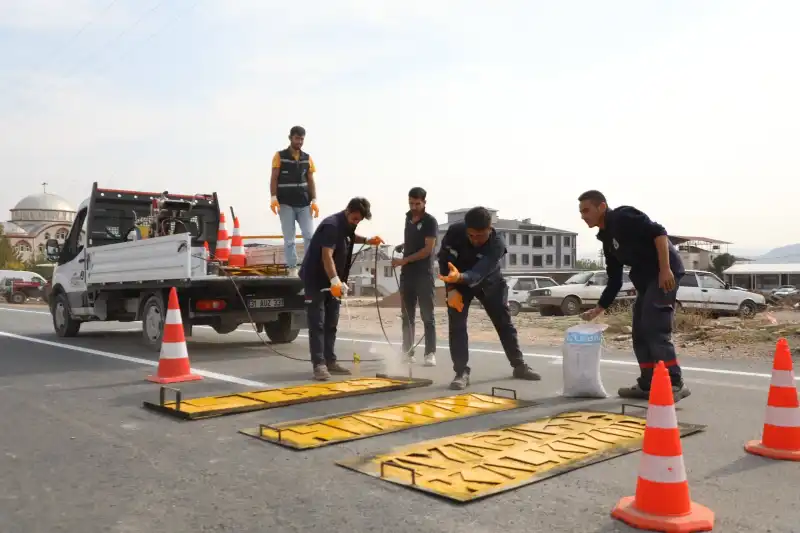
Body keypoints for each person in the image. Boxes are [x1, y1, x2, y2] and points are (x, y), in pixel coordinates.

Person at [577, 190, 690, 402]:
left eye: (586, 210)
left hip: (664, 274)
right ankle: (648, 383)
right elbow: (615, 279)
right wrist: (600, 308)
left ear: (601, 207)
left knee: (654, 327)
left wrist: (665, 269)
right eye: (580, 212)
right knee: (639, 330)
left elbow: (659, 233)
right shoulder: (607, 239)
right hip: (646, 280)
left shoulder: (622, 217)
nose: (583, 216)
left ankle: (675, 383)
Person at [437, 206, 542, 390]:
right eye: (471, 236)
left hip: (489, 283)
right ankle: (461, 372)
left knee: (504, 323)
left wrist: (459, 277)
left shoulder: (497, 244)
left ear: (490, 228)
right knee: (457, 325)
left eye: (481, 236)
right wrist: (451, 288)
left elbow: (479, 272)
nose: (476, 240)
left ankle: (519, 365)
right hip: (458, 285)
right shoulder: (455, 232)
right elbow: (444, 259)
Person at [299, 197, 384, 381]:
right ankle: (319, 364)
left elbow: (350, 237)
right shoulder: (331, 225)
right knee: (318, 323)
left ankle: (330, 360)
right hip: (316, 280)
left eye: (359, 220)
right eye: (354, 219)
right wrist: (335, 280)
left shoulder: (347, 226)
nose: (356, 222)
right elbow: (326, 255)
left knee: (332, 322)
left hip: (334, 282)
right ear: (347, 211)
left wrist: (368, 240)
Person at [391, 187, 439, 367]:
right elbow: (415, 241)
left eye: (417, 203)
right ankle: (408, 351)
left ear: (424, 202)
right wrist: (404, 246)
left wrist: (404, 260)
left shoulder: (430, 222)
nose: (414, 206)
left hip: (423, 274)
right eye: (411, 203)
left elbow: (428, 249)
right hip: (407, 275)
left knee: (427, 315)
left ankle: (430, 353)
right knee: (407, 315)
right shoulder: (408, 219)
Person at [270, 125, 320, 277]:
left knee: (309, 235)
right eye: (297, 138)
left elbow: (310, 180)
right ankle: (292, 268)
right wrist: (273, 197)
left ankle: (309, 266)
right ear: (290, 138)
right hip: (286, 203)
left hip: (304, 203)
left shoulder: (307, 158)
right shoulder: (280, 156)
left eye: (302, 139)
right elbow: (274, 178)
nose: (299, 142)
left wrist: (314, 200)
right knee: (289, 239)